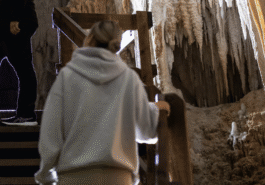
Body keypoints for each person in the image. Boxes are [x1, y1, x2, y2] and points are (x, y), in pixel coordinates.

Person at [35, 21, 170, 185]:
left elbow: (52, 131)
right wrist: (156, 110)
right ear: (116, 44)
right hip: (118, 177)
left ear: (89, 39)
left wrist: (46, 175)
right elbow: (146, 130)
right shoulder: (129, 79)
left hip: (74, 177)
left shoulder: (67, 77)